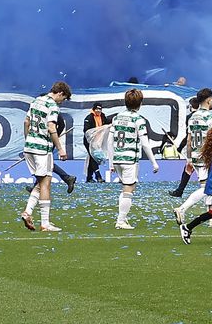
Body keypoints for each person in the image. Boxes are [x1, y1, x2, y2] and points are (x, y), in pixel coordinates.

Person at [20, 81, 72, 232]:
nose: (62, 102)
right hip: (42, 148)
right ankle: (45, 223)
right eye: (63, 99)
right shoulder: (52, 106)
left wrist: (28, 140)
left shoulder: (36, 100)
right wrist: (61, 149)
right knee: (46, 183)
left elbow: (26, 122)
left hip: (29, 146)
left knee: (41, 182)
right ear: (60, 93)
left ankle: (28, 212)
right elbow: (51, 127)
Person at [112, 88, 159, 229]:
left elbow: (110, 139)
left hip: (117, 157)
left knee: (125, 187)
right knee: (129, 188)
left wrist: (110, 160)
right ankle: (121, 220)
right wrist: (154, 162)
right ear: (140, 103)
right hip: (129, 158)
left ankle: (122, 218)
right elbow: (145, 143)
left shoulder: (117, 117)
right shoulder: (138, 120)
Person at [173, 89, 212, 228]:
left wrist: (190, 158)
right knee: (207, 188)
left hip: (196, 156)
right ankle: (182, 209)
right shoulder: (211, 118)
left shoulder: (192, 117)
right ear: (208, 100)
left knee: (208, 187)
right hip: (207, 156)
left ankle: (211, 217)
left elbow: (189, 139)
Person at [168, 95, 203, 198]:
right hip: (204, 147)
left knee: (190, 169)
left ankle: (180, 191)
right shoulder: (205, 115)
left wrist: (180, 147)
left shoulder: (190, 118)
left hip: (196, 148)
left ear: (191, 106)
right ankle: (179, 190)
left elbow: (189, 136)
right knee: (188, 168)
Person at [82, 103, 111, 182]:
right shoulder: (89, 117)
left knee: (93, 157)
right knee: (93, 157)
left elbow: (107, 122)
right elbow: (86, 130)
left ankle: (89, 178)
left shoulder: (102, 116)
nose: (98, 111)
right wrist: (95, 132)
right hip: (89, 141)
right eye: (97, 109)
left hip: (98, 141)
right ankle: (98, 177)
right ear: (93, 109)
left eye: (100, 109)